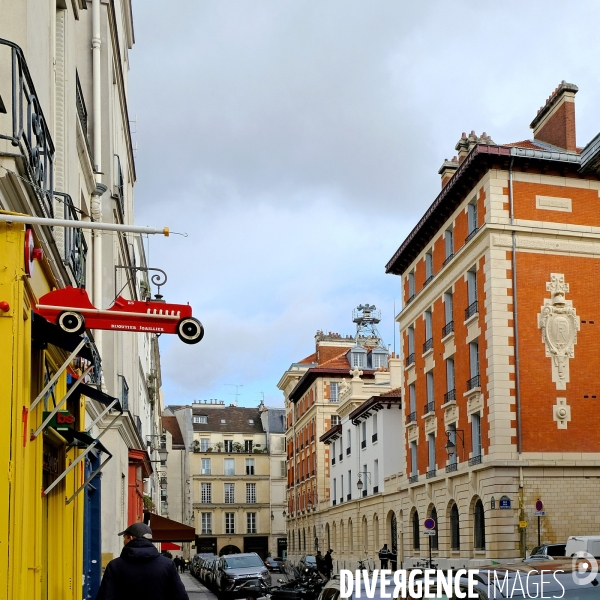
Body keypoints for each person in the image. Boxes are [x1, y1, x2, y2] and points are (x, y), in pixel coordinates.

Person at [95, 522, 188, 600]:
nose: (123, 541)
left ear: (130, 538)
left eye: (124, 537)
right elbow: (180, 596)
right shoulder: (167, 565)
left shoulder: (115, 565)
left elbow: (105, 597)